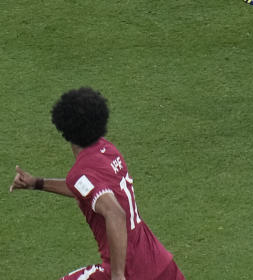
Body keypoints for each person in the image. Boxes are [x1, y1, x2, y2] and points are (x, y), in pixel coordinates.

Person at [9, 88, 185, 280]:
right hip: (160, 264)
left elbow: (115, 213)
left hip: (130, 271)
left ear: (63, 128)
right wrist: (38, 183)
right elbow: (88, 189)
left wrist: (118, 276)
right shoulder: (108, 150)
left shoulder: (81, 172)